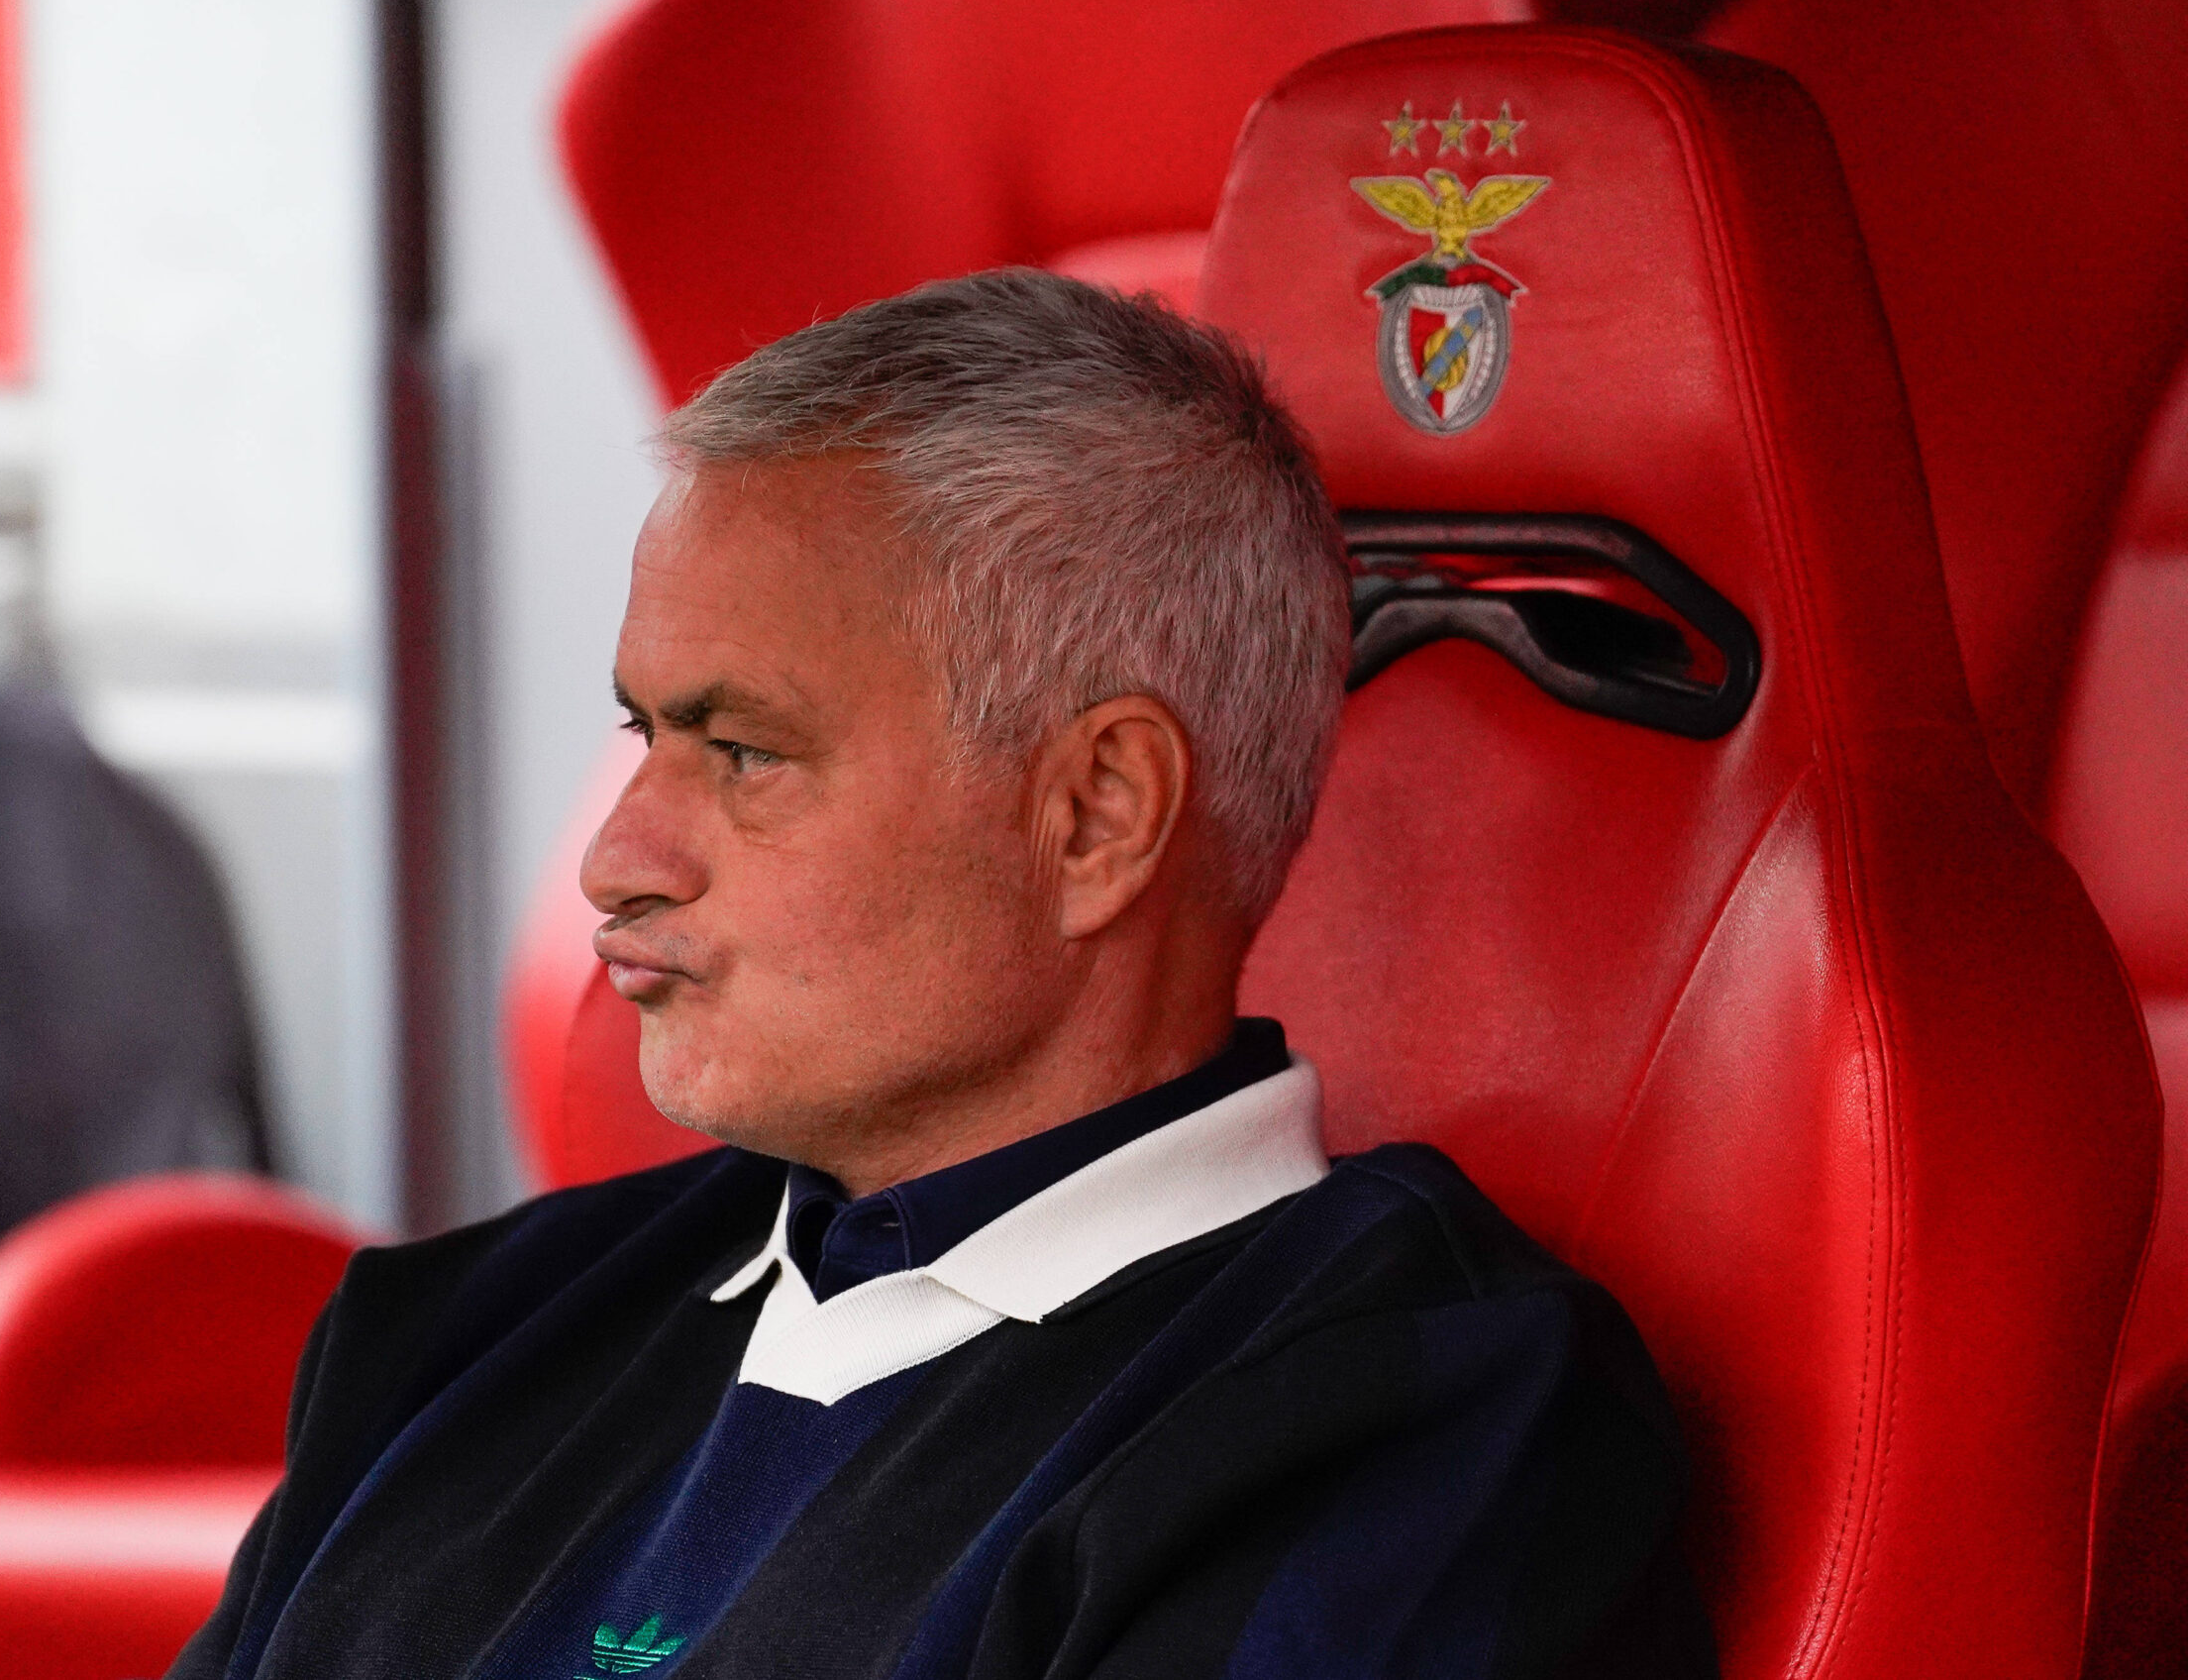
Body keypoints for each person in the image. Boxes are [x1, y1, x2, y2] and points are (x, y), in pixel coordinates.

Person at [169, 269, 1712, 1680]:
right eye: (645, 734)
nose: (616, 858)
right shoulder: (458, 1329)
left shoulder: (1405, 1423)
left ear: (1096, 815)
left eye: (747, 752)